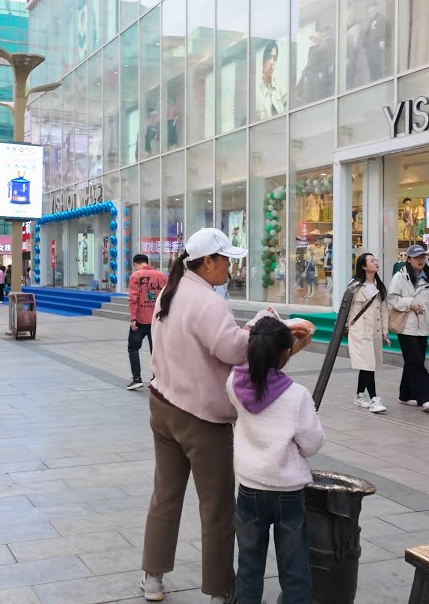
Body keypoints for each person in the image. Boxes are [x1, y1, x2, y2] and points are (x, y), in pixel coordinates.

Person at [139, 228, 312, 603]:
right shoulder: (207, 301)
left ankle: (152, 577)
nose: (229, 268)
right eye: (225, 260)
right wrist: (264, 326)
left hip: (162, 403)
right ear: (208, 262)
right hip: (200, 418)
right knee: (216, 506)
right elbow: (233, 350)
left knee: (165, 495)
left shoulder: (172, 292)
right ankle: (220, 589)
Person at [226, 316, 322, 604]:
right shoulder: (297, 396)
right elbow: (313, 443)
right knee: (294, 567)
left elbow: (251, 368)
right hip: (287, 492)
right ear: (286, 353)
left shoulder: (234, 384)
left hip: (249, 488)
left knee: (249, 565)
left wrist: (285, 344)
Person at [388, 245, 429, 412]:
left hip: (423, 326)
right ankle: (425, 398)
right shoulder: (399, 277)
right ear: (408, 259)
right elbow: (392, 299)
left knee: (412, 362)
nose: (421, 259)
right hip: (406, 326)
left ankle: (405, 395)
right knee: (416, 362)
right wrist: (410, 304)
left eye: (423, 256)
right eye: (416, 257)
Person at [347, 253, 390, 414]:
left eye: (375, 260)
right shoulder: (355, 286)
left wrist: (385, 332)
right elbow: (346, 309)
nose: (376, 262)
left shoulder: (379, 286)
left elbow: (384, 310)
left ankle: (359, 395)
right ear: (364, 266)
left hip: (375, 331)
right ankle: (374, 398)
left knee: (367, 365)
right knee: (368, 365)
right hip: (360, 331)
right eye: (372, 261)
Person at [127, 254, 168, 391]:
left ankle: (137, 379)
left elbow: (133, 299)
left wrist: (133, 318)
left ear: (136, 264)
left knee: (133, 348)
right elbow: (166, 297)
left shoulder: (136, 276)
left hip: (140, 320)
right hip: (156, 320)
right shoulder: (161, 276)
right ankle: (157, 378)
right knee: (156, 350)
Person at [254, 42, 287, 120]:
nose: (272, 62)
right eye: (269, 57)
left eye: (274, 58)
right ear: (263, 60)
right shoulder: (256, 95)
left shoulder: (281, 89)